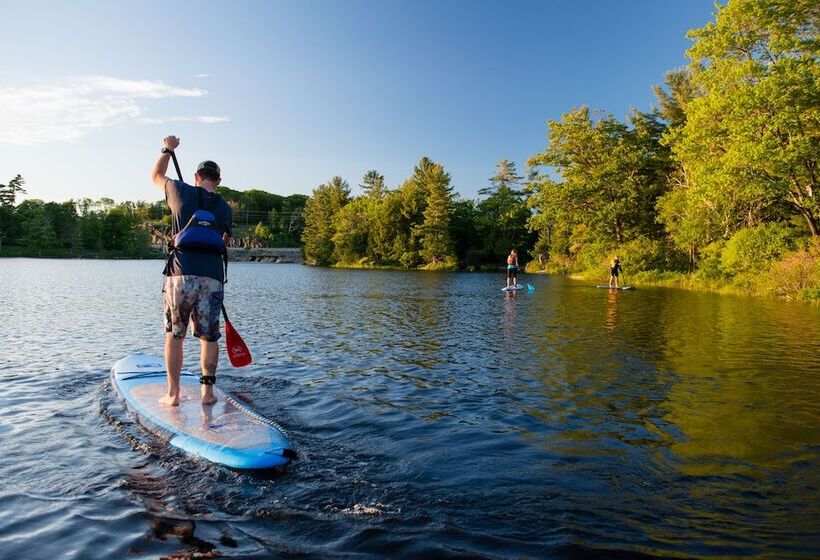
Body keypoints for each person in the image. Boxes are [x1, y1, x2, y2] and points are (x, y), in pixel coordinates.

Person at [151, 135, 233, 406]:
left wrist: (168, 149)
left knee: (175, 336)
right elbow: (224, 243)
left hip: (180, 275)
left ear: (197, 176)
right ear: (218, 181)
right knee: (209, 337)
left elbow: (156, 175)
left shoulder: (180, 190)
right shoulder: (224, 208)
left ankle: (173, 396)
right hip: (211, 278)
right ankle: (207, 394)